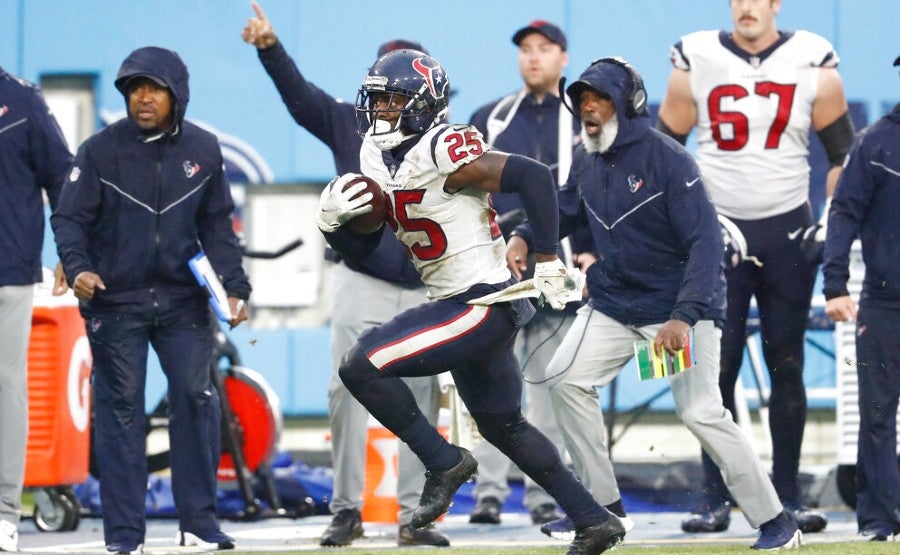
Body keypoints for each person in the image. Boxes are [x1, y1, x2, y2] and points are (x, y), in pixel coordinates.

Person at [318, 48, 627, 555]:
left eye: (394, 101)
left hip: (480, 301)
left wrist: (547, 255)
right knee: (504, 424)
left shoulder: (443, 147)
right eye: (378, 101)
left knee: (361, 366)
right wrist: (333, 227)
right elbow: (367, 244)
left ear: (423, 104)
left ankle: (443, 461)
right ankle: (593, 520)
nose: (382, 112)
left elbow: (535, 177)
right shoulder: (375, 154)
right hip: (461, 302)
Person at [511, 56, 801, 550]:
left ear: (629, 104)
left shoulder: (669, 158)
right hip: (616, 305)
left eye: (600, 98)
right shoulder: (587, 157)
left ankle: (777, 522)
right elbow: (562, 210)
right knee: (563, 380)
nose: (589, 108)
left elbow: (707, 244)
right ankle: (602, 510)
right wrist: (521, 234)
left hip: (676, 312)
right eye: (582, 100)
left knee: (701, 413)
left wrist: (683, 318)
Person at [240, 2, 448, 547]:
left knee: (422, 395)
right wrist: (270, 48)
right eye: (381, 88)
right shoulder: (348, 123)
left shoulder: (445, 138)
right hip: (362, 278)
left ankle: (413, 515)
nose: (387, 101)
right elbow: (300, 98)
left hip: (426, 281)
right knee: (344, 390)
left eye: (399, 90)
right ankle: (347, 508)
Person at [656, 0, 855, 534]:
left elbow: (842, 156)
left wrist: (835, 215)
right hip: (715, 233)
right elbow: (663, 154)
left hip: (787, 228)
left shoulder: (812, 57)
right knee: (714, 372)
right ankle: (713, 496)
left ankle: (784, 494)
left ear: (775, 4)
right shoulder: (694, 56)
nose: (746, 7)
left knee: (785, 365)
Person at [51, 46, 250, 554]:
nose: (142, 97)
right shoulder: (99, 150)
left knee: (195, 399)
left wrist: (235, 287)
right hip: (115, 303)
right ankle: (123, 537)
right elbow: (69, 218)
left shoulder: (204, 150)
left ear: (175, 95)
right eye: (134, 88)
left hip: (185, 302)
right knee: (120, 412)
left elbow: (217, 226)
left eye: (153, 88)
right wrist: (78, 269)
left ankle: (198, 526)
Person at [465, 19, 587, 528]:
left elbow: (585, 194)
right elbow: (470, 193)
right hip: (500, 270)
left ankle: (544, 492)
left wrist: (585, 251)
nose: (533, 57)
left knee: (549, 383)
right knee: (494, 384)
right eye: (526, 50)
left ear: (563, 58)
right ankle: (488, 492)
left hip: (556, 270)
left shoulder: (581, 118)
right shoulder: (491, 117)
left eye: (544, 49)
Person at [822, 55, 900, 542]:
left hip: (883, 301)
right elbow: (843, 212)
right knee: (875, 414)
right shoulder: (874, 143)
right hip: (885, 304)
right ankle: (878, 519)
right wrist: (835, 284)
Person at [0, 65, 72, 553]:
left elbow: (62, 177)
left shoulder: (22, 102)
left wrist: (72, 248)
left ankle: (3, 512)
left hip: (7, 271)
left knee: (6, 389)